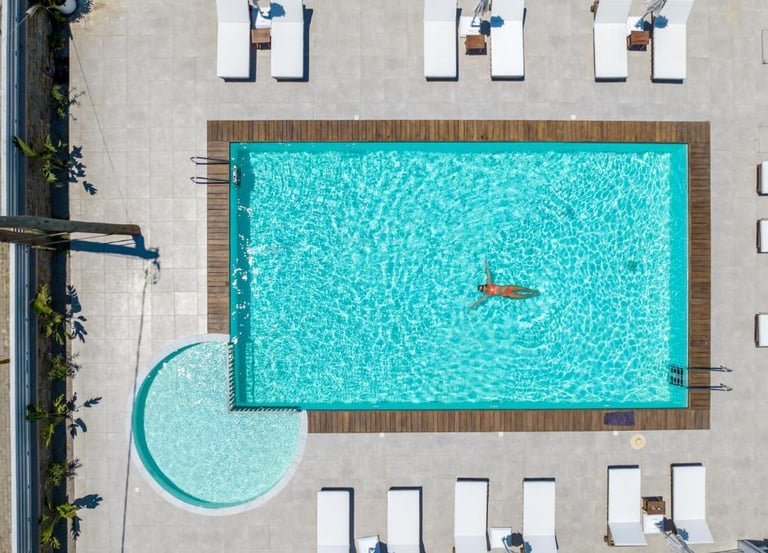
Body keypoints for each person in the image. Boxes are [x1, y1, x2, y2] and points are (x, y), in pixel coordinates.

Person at [469, 259, 539, 309]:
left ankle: (534, 291)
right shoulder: (487, 294)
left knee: (523, 288)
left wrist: (485, 264)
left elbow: (488, 274)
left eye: (482, 286)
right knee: (522, 296)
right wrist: (472, 306)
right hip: (508, 294)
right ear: (482, 291)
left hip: (508, 288)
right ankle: (533, 294)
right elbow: (479, 301)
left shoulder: (489, 283)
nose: (483, 287)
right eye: (482, 289)